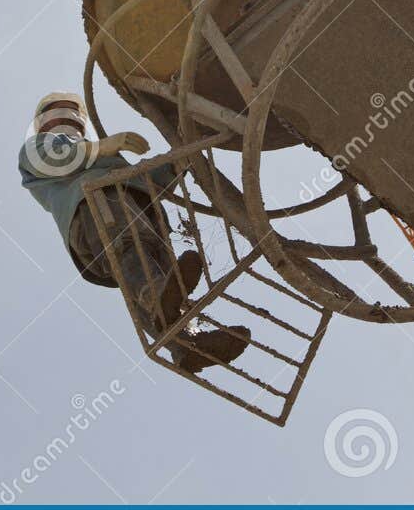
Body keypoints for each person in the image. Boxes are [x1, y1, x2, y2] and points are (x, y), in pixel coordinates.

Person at [17, 91, 250, 373]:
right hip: (97, 206)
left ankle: (187, 346)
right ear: (43, 122)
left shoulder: (104, 158)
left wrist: (178, 160)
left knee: (157, 277)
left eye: (73, 114)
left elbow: (144, 181)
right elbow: (52, 158)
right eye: (59, 113)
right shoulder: (40, 147)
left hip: (139, 218)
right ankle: (159, 301)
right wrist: (100, 148)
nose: (68, 120)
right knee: (132, 250)